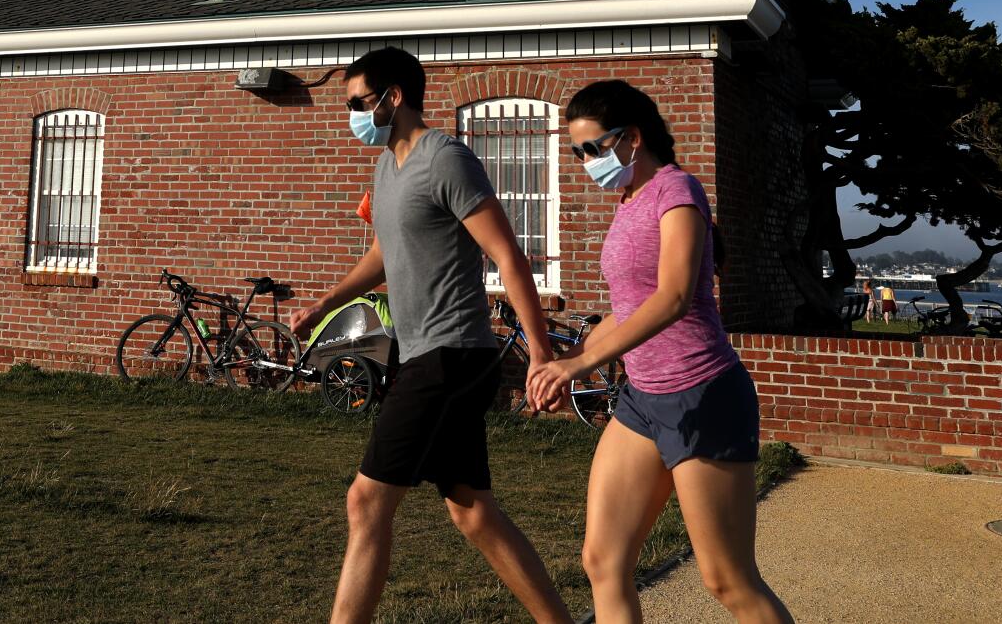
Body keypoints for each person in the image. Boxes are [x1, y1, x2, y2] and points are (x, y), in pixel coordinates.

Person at [289, 47, 572, 624]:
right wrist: (326, 301)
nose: (354, 116)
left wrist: (542, 355)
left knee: (365, 501)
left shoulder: (446, 159)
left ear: (393, 97)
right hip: (426, 354)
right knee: (473, 512)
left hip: (451, 355)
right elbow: (382, 253)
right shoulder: (387, 167)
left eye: (358, 103)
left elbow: (507, 256)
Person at [527, 80, 792, 624]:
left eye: (593, 149)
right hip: (643, 401)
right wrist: (564, 365)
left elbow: (671, 298)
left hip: (703, 395)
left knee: (728, 581)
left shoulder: (678, 191)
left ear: (632, 139)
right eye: (577, 152)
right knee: (603, 560)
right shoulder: (628, 202)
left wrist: (582, 364)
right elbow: (628, 311)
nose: (585, 162)